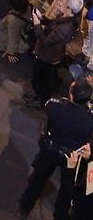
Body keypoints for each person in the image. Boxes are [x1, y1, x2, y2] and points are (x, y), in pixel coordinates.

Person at [18, 78, 93, 219]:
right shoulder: (89, 119)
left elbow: (49, 111)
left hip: (51, 149)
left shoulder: (55, 105)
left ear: (71, 93)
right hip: (73, 156)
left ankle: (25, 206)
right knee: (66, 189)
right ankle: (59, 215)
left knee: (38, 179)